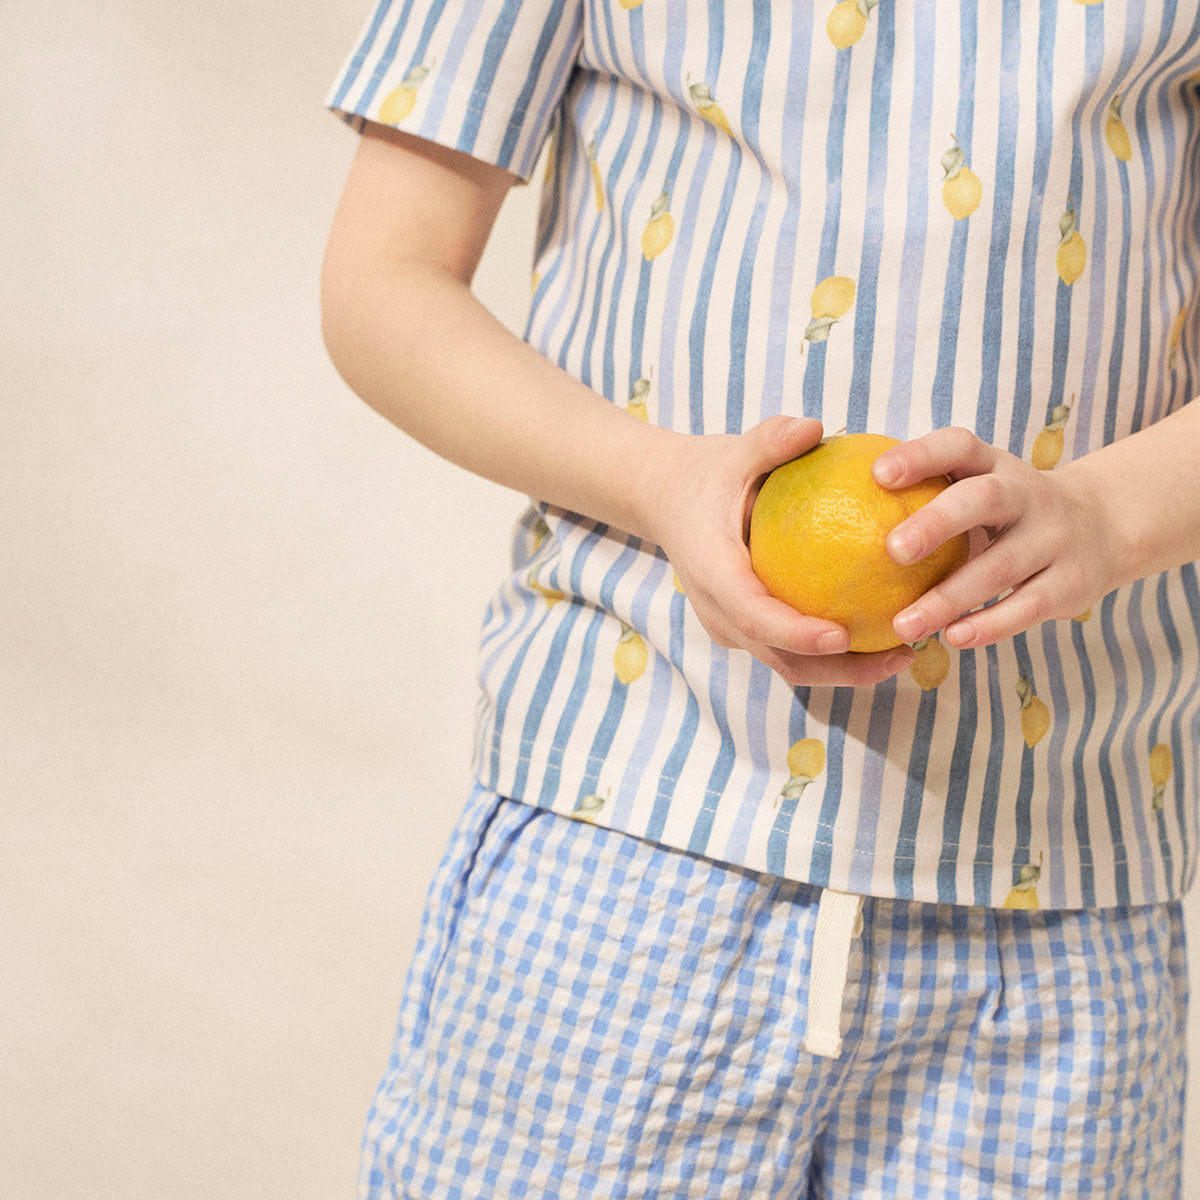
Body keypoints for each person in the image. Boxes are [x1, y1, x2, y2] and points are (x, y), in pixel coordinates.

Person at [320, 2, 1200, 1195]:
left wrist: (1104, 513)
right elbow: (384, 281)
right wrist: (655, 480)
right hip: (626, 833)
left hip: (1061, 881)